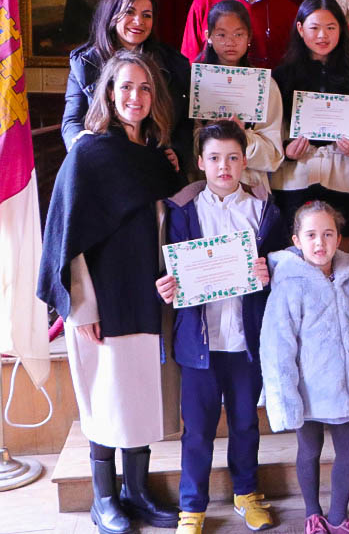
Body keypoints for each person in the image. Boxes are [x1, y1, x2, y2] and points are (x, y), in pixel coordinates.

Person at [38, 51, 181, 534]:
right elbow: (66, 240)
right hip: (100, 300)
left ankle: (137, 492)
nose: (135, 97)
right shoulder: (89, 154)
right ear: (108, 93)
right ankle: (104, 499)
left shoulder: (156, 160)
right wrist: (81, 309)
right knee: (104, 398)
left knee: (137, 396)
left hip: (145, 295)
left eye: (144, 88)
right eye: (125, 87)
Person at [155, 120, 284, 534]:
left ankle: (247, 494)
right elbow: (168, 269)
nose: (223, 166)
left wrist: (270, 275)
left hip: (246, 341)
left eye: (232, 157)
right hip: (199, 342)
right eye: (214, 158)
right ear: (200, 163)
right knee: (197, 430)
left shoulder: (264, 212)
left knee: (246, 422)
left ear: (244, 160)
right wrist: (167, 285)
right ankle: (192, 507)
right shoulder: (182, 212)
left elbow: (283, 271)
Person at [260, 201, 349, 534]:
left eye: (328, 234)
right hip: (307, 390)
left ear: (340, 238)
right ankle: (313, 512)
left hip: (346, 387)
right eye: (311, 235)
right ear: (296, 240)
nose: (320, 243)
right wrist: (286, 395)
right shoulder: (289, 285)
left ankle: (338, 516)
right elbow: (278, 347)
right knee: (309, 449)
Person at [271, 0, 349, 275]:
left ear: (342, 29)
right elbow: (272, 125)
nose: (322, 35)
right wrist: (285, 148)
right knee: (297, 265)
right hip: (297, 176)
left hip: (347, 177)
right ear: (300, 28)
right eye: (315, 27)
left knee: (346, 267)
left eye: (331, 27)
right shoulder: (281, 77)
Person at [62, 0, 191, 166]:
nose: (139, 21)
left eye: (147, 15)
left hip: (154, 159)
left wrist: (177, 152)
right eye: (129, 12)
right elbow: (72, 120)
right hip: (102, 158)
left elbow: (184, 121)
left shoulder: (173, 63)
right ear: (112, 15)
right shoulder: (84, 62)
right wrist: (81, 149)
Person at [193, 0, 285, 194]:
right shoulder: (195, 82)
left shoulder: (265, 86)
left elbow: (274, 156)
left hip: (251, 189)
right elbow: (186, 143)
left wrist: (242, 135)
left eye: (238, 34)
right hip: (204, 188)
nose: (230, 42)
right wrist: (210, 131)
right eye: (221, 34)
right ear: (208, 37)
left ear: (249, 37)